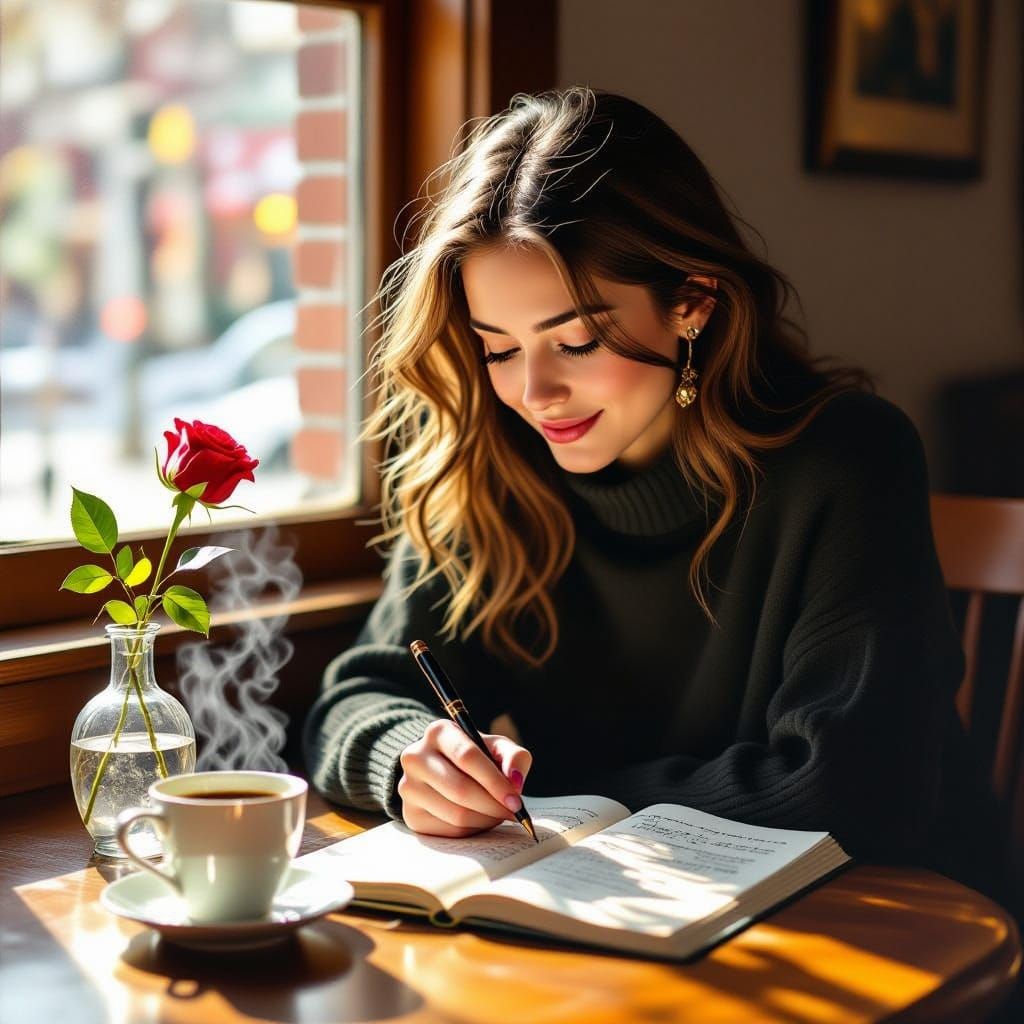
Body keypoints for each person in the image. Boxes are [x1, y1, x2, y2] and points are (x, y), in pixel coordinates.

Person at [303, 87, 1007, 903]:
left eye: (576, 341)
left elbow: (854, 790)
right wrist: (411, 760)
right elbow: (357, 698)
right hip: (637, 908)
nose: (534, 393)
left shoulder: (848, 460)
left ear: (692, 304)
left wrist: (553, 796)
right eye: (497, 349)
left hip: (898, 915)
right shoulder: (493, 464)